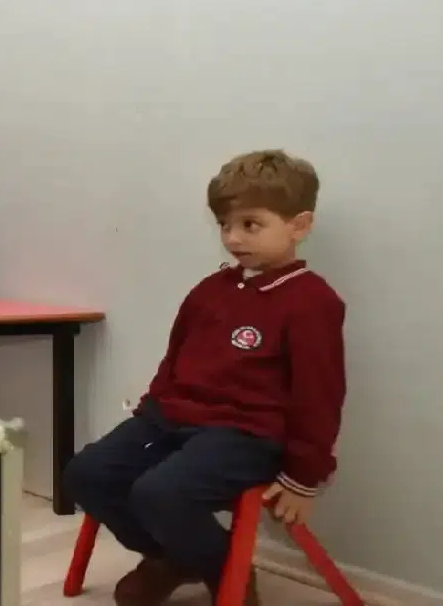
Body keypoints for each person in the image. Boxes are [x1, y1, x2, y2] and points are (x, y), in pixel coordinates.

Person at [62, 150, 347, 606]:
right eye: (225, 225)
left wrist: (304, 475)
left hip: (246, 435)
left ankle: (224, 568)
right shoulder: (210, 290)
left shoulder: (313, 302)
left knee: (160, 493)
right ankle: (175, 558)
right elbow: (175, 358)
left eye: (250, 224)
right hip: (169, 419)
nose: (233, 238)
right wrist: (151, 410)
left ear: (299, 225)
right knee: (86, 474)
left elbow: (320, 395)